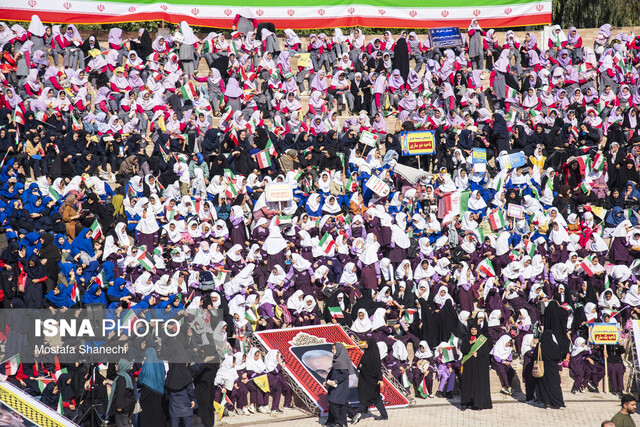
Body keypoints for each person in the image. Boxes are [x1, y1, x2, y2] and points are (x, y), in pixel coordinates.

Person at [352, 337, 388, 423]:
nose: (366, 344)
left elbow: (377, 369)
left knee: (372, 397)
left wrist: (380, 379)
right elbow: (361, 363)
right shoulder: (367, 353)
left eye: (367, 343)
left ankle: (360, 412)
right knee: (370, 397)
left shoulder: (374, 355)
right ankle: (381, 414)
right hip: (365, 379)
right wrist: (361, 366)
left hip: (371, 380)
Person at [459, 323, 492, 410]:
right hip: (468, 365)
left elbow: (485, 352)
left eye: (475, 330)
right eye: (472, 329)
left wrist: (478, 354)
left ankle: (476, 403)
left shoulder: (482, 339)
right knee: (467, 383)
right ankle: (465, 403)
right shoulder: (466, 338)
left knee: (476, 384)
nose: (473, 331)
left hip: (478, 365)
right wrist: (470, 343)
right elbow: (463, 350)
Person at [323, 343, 352, 427]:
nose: (332, 351)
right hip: (335, 385)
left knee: (334, 402)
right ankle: (337, 422)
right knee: (339, 404)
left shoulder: (341, 361)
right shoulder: (336, 359)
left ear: (339, 350)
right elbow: (333, 371)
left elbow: (344, 374)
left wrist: (335, 381)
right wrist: (327, 380)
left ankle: (341, 422)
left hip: (340, 386)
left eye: (334, 349)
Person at [106, 359, 135, 427]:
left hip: (122, 407)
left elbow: (121, 392)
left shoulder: (121, 378)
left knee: (122, 424)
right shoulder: (127, 376)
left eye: (117, 364)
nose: (115, 366)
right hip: (128, 405)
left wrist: (119, 406)